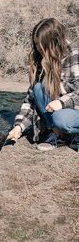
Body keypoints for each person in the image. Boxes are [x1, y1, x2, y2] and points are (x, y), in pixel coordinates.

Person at [7, 18, 79, 151]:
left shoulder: (74, 54)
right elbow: (31, 99)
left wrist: (62, 102)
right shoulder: (40, 58)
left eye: (42, 45)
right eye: (36, 44)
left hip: (74, 110)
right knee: (38, 88)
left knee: (61, 119)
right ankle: (57, 135)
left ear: (55, 42)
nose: (38, 48)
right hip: (60, 110)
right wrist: (19, 126)